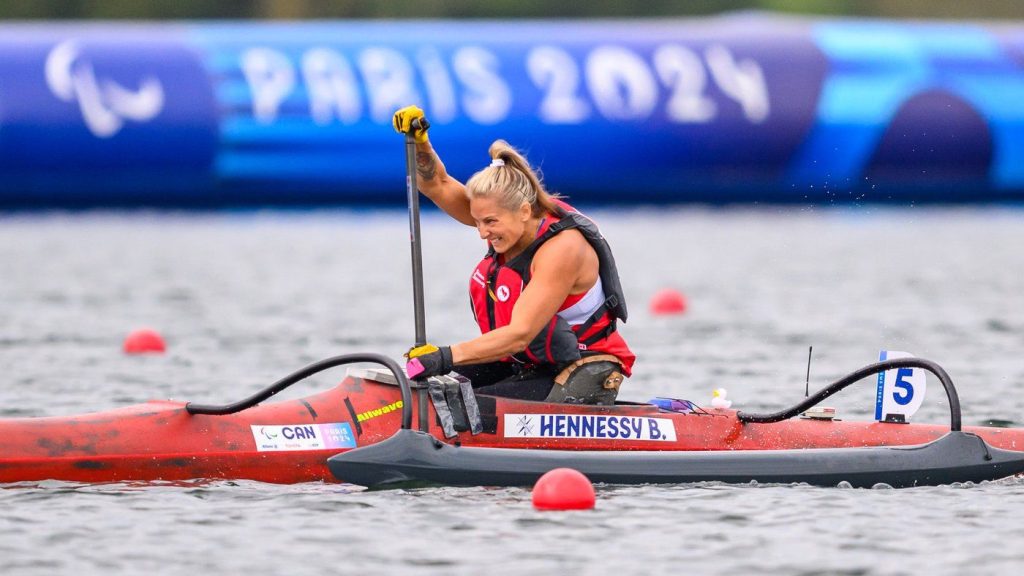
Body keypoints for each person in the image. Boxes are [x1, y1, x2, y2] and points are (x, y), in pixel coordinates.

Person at [393, 105, 635, 404]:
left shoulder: (563, 248)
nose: (482, 232)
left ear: (524, 211)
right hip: (527, 359)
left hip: (583, 367)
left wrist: (443, 357)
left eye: (490, 222)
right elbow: (436, 183)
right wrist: (420, 141)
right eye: (477, 221)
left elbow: (520, 333)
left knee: (455, 404)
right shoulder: (506, 220)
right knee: (429, 394)